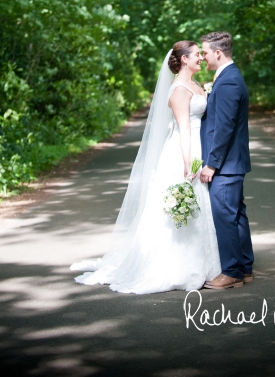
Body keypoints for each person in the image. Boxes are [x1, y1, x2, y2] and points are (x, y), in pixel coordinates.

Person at [71, 41, 220, 294]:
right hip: (184, 151)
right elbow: (184, 128)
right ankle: (177, 266)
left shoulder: (196, 86)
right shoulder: (178, 90)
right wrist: (187, 163)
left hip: (199, 147)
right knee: (182, 204)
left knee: (202, 204)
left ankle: (208, 264)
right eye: (197, 55)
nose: (201, 59)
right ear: (184, 59)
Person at [198, 31, 255, 289]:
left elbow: (224, 127)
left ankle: (230, 272)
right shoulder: (228, 77)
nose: (203, 57)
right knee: (236, 215)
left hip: (226, 164)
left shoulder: (229, 81)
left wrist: (211, 163)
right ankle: (244, 269)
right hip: (232, 163)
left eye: (206, 52)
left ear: (218, 53)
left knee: (224, 216)